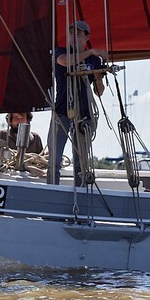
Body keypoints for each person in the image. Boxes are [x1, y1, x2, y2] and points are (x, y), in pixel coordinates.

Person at [47, 20, 107, 186]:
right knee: (54, 159)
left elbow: (99, 92)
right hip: (62, 111)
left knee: (81, 162)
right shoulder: (60, 52)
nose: (73, 37)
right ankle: (52, 190)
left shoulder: (94, 61)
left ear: (87, 37)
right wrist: (92, 51)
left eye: (78, 34)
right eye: (71, 33)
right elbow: (65, 62)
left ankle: (81, 192)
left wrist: (98, 77)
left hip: (84, 115)